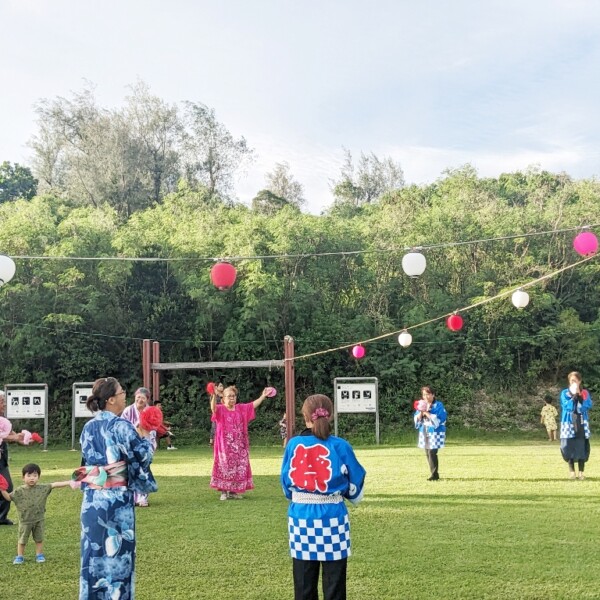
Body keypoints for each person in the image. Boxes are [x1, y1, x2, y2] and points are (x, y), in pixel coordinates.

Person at [281, 394, 366, 600]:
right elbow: (356, 480)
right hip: (333, 516)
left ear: (305, 417)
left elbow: (286, 482)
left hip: (301, 517)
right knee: (335, 583)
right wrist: (348, 494)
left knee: (303, 582)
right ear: (331, 416)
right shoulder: (341, 445)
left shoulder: (293, 444)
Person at [78, 377, 157, 599]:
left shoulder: (88, 427)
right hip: (116, 502)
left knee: (92, 556)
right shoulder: (121, 426)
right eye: (122, 392)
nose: (125, 395)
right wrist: (145, 436)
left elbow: (86, 462)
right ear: (111, 399)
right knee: (118, 558)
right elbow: (142, 456)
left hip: (92, 500)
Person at [0, 463, 74, 564]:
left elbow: (55, 484)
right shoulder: (19, 491)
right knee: (22, 540)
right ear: (23, 477)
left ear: (38, 477)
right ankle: (20, 556)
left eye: (35, 475)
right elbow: (8, 497)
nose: (32, 478)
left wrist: (69, 482)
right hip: (25, 521)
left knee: (39, 539)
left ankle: (39, 555)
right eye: (29, 475)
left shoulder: (42, 488)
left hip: (39, 520)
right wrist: (2, 489)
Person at [210, 385, 271, 500]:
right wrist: (213, 395)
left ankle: (234, 491)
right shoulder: (220, 409)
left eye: (233, 396)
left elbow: (252, 405)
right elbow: (213, 409)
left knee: (238, 467)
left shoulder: (240, 408)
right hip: (224, 446)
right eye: (229, 396)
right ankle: (224, 492)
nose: (232, 398)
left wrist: (263, 396)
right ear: (223, 398)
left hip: (240, 445)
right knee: (224, 466)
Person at [122, 387, 154, 506]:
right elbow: (122, 426)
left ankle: (142, 497)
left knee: (143, 469)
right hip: (130, 443)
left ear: (147, 400)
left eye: (143, 398)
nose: (140, 400)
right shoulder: (128, 410)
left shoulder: (150, 411)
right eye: (138, 397)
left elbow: (154, 427)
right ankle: (132, 497)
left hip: (145, 442)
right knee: (130, 470)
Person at [559, 371, 593, 480]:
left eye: (575, 380)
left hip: (581, 421)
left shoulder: (585, 393)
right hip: (568, 422)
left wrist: (580, 398)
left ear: (579, 381)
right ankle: (572, 472)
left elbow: (587, 405)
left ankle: (581, 472)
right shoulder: (565, 393)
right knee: (568, 446)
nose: (573, 382)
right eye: (571, 380)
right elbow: (566, 406)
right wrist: (573, 398)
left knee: (581, 445)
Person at [0, 390, 25, 526]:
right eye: (1, 401)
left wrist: (23, 438)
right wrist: (14, 437)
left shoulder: (3, 419)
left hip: (2, 459)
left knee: (7, 486)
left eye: (4, 401)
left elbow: (10, 433)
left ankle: (1, 517)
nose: (4, 404)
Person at [414, 385, 447, 481]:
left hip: (436, 431)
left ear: (433, 394)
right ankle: (433, 473)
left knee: (432, 451)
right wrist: (421, 412)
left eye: (428, 394)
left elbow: (441, 418)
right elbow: (417, 418)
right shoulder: (421, 404)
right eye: (424, 394)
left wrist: (428, 413)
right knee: (427, 452)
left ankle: (434, 474)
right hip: (424, 430)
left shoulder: (438, 405)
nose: (426, 396)